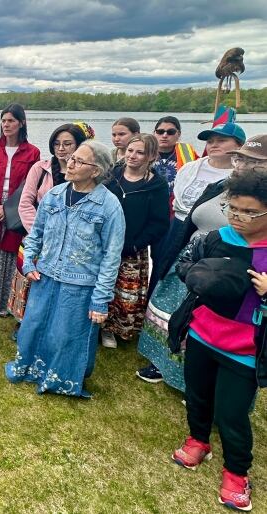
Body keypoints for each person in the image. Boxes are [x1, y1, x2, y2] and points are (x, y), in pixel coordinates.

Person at [170, 168, 267, 512]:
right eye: (233, 208)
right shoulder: (217, 237)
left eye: (250, 212)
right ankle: (198, 440)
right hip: (202, 334)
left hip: (244, 349)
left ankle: (237, 472)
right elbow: (186, 263)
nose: (239, 218)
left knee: (231, 413)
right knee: (196, 395)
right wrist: (197, 274)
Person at [5, 141, 124, 397]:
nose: (70, 163)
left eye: (79, 161)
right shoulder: (55, 194)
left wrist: (100, 300)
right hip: (45, 276)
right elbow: (36, 233)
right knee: (33, 326)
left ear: (95, 171)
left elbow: (111, 257)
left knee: (66, 336)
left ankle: (61, 380)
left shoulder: (109, 205)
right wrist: (28, 263)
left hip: (80, 283)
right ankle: (30, 369)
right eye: (72, 158)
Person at [137, 122, 247, 385]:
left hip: (221, 250)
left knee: (200, 309)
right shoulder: (192, 169)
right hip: (185, 234)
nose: (214, 144)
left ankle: (191, 370)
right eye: (211, 139)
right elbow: (180, 202)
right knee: (167, 298)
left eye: (222, 140)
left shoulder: (242, 180)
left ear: (239, 148)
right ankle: (160, 360)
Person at [7, 123, 87, 326]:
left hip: (70, 241)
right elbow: (25, 202)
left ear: (79, 145)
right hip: (37, 235)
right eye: (57, 143)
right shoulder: (40, 168)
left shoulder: (86, 173)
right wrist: (39, 232)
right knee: (30, 278)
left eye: (68, 144)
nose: (61, 148)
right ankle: (24, 322)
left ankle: (54, 321)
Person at [101, 134, 169, 348]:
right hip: (103, 245)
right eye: (131, 150)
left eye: (140, 152)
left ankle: (116, 329)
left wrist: (134, 244)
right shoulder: (112, 176)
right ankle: (98, 325)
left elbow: (159, 224)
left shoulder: (156, 185)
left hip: (132, 249)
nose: (133, 156)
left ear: (151, 156)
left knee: (125, 293)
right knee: (102, 287)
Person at [0, 104, 40, 316]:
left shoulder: (32, 153)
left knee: (9, 254)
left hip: (16, 208)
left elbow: (29, 185)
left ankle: (5, 304)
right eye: (3, 120)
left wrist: (8, 208)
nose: (6, 124)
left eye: (11, 120)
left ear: (22, 123)